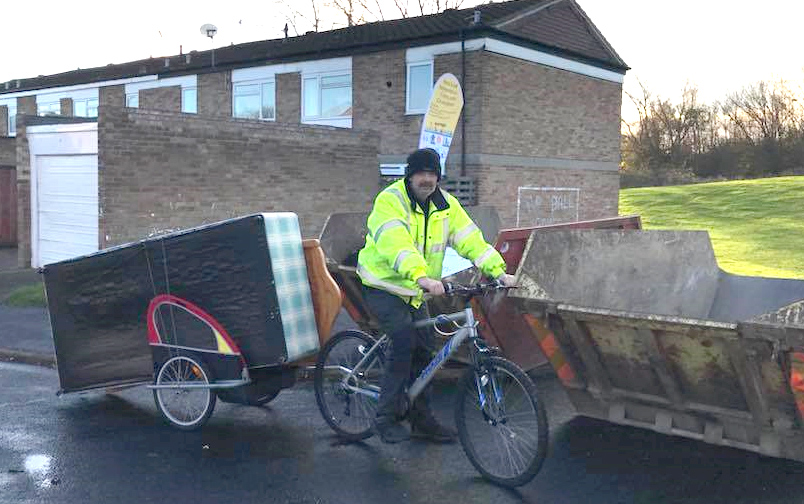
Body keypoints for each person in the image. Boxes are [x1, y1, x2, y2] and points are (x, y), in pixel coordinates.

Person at [357, 147, 516, 444]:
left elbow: (471, 240)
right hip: (383, 285)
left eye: (432, 174)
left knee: (426, 348)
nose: (426, 179)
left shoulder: (447, 205)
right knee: (404, 340)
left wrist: (497, 271)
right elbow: (396, 244)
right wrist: (422, 276)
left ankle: (421, 419)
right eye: (421, 173)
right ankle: (385, 417)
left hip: (415, 289)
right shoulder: (390, 201)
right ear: (410, 175)